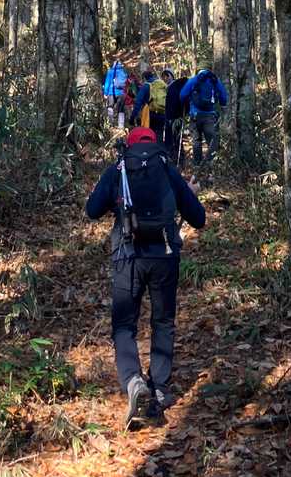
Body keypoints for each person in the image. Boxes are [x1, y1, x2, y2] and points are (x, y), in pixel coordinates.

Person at [85, 126, 205, 428]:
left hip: (127, 256)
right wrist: (188, 194)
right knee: (162, 321)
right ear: (155, 144)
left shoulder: (119, 168)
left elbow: (92, 210)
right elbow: (199, 218)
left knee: (124, 325)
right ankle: (160, 388)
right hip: (165, 256)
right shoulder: (167, 169)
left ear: (130, 145)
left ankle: (133, 381)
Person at [181, 67, 229, 166]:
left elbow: (182, 95)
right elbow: (223, 95)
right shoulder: (215, 80)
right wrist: (223, 105)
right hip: (210, 115)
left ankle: (197, 164)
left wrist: (187, 103)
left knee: (196, 140)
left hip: (195, 115)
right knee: (212, 140)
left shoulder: (193, 80)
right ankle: (210, 164)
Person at [131, 68, 169, 144]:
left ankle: (150, 150)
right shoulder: (162, 85)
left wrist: (132, 117)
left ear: (144, 78)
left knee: (149, 136)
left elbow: (138, 102)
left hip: (149, 114)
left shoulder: (146, 86)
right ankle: (159, 150)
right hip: (162, 113)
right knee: (159, 136)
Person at [163, 68, 188, 161]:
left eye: (167, 76)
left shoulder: (174, 87)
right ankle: (177, 158)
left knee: (175, 139)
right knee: (174, 138)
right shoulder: (171, 87)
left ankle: (178, 159)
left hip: (174, 118)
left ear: (172, 76)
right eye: (164, 77)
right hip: (174, 117)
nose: (165, 78)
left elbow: (174, 103)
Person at [103, 59, 129, 127]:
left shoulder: (110, 71)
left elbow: (107, 83)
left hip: (112, 92)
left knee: (110, 107)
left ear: (114, 65)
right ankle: (121, 126)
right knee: (121, 109)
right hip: (122, 93)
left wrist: (105, 93)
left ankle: (110, 124)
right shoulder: (124, 72)